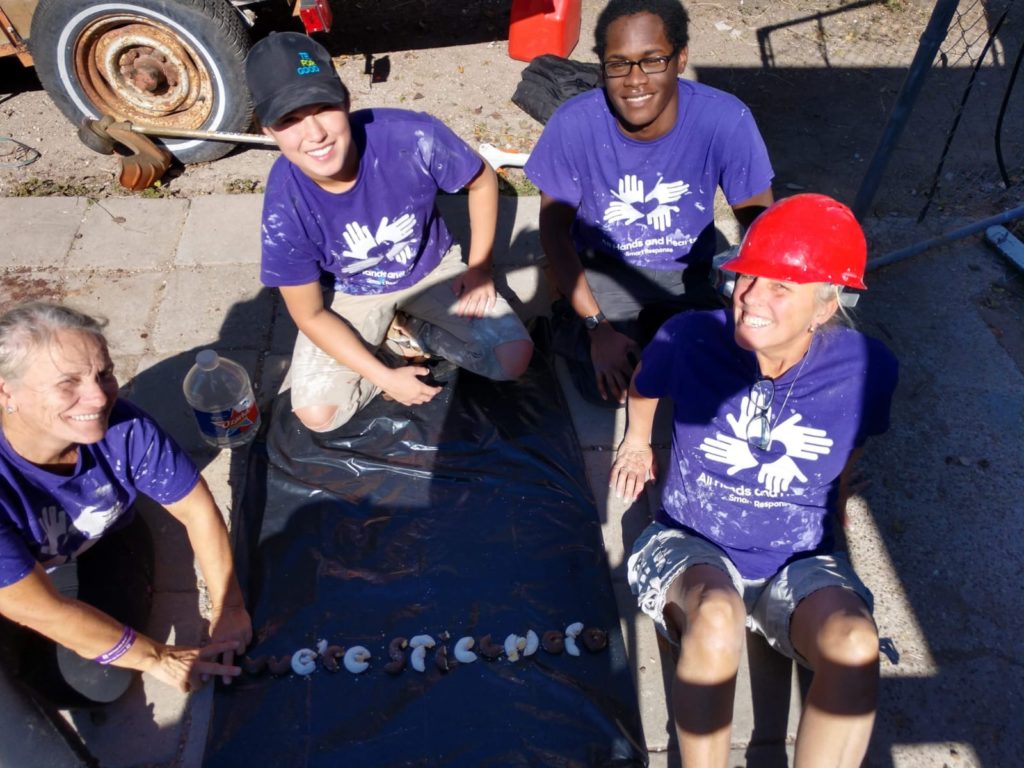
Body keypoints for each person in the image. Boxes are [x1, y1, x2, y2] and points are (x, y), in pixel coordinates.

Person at [610, 195, 898, 767]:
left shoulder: (868, 368)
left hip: (798, 558)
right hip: (694, 542)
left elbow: (853, 440)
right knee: (715, 616)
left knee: (856, 646)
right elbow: (644, 385)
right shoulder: (690, 337)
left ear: (824, 306)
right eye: (747, 278)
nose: (750, 300)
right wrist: (637, 440)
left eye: (780, 288)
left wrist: (837, 498)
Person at [246, 32, 534, 433]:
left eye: (323, 108)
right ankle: (391, 340)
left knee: (513, 358)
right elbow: (309, 313)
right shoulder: (284, 208)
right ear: (266, 131)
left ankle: (414, 332)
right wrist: (385, 378)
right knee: (318, 415)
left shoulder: (411, 136)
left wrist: (481, 267)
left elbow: (482, 179)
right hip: (353, 291)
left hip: (433, 267)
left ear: (346, 101)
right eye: (289, 121)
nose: (314, 134)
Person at [0, 303, 251, 751]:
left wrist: (228, 607)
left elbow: (196, 511)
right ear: (6, 393)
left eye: (104, 374)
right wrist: (158, 658)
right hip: (23, 586)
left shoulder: (125, 427)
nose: (98, 398)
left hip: (95, 544)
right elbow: (40, 609)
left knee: (96, 683)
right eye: (68, 383)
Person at [524, 0, 774, 406]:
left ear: (680, 59)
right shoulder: (574, 123)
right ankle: (565, 315)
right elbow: (554, 230)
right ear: (602, 66)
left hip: (686, 275)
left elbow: (761, 227)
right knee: (610, 388)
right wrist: (596, 326)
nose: (634, 81)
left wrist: (755, 302)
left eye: (652, 60)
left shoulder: (725, 119)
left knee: (712, 379)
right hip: (604, 272)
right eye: (618, 64)